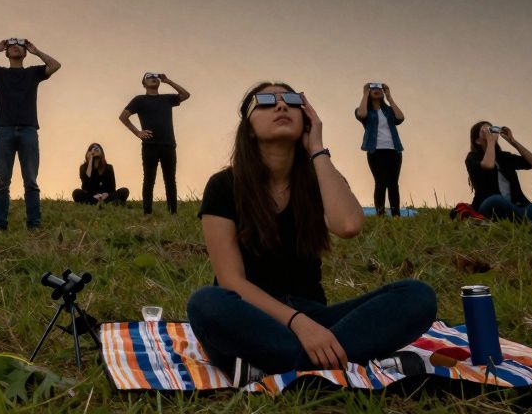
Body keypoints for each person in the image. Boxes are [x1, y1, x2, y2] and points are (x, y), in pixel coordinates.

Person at [187, 83, 436, 386]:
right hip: (251, 319)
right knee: (204, 303)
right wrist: (297, 323)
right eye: (265, 101)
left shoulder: (320, 176)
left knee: (417, 296)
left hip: (317, 318)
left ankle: (276, 365)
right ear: (248, 128)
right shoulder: (224, 185)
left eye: (291, 101)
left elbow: (349, 225)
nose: (281, 106)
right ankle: (338, 362)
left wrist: (318, 149)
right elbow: (231, 280)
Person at [0, 37, 61, 231]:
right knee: (2, 182)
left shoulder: (33, 73)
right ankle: (0, 226)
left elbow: (55, 65)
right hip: (4, 129)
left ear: (25, 52)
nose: (15, 48)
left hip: (29, 130)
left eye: (20, 46)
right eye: (11, 46)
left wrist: (36, 50)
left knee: (31, 181)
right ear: (6, 52)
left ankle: (34, 225)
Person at [119, 72, 191, 215]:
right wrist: (138, 133)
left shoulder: (167, 99)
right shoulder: (139, 100)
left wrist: (168, 80)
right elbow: (123, 117)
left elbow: (186, 95)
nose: (153, 77)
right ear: (144, 83)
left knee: (170, 179)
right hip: (150, 145)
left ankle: (173, 213)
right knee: (149, 179)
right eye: (149, 76)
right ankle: (147, 213)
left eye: (155, 76)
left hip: (168, 145)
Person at [465, 122, 532, 222]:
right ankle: (528, 219)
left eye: (491, 129)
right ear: (477, 141)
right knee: (496, 200)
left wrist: (513, 141)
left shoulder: (504, 157)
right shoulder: (472, 158)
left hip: (517, 207)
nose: (490, 132)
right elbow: (488, 165)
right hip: (488, 206)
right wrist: (491, 142)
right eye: (485, 131)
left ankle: (520, 219)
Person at [354, 83, 406, 217]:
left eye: (379, 89)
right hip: (375, 151)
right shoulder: (365, 110)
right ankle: (380, 215)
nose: (376, 90)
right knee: (380, 183)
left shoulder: (388, 110)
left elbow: (400, 117)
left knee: (393, 184)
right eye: (373, 89)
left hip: (394, 150)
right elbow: (361, 114)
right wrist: (365, 93)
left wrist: (389, 97)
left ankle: (396, 215)